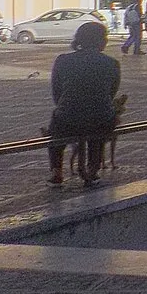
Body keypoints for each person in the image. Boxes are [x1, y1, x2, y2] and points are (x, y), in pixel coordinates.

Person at [47, 22, 122, 187]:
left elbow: (57, 92)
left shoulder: (63, 61)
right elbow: (111, 92)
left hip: (68, 118)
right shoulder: (111, 63)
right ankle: (92, 170)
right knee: (99, 130)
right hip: (100, 118)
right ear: (101, 41)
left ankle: (57, 172)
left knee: (55, 134)